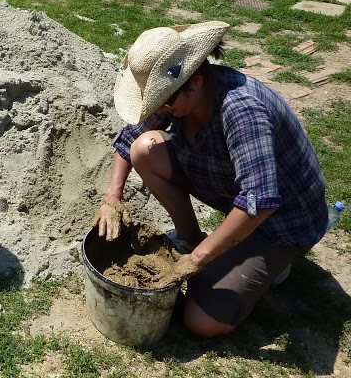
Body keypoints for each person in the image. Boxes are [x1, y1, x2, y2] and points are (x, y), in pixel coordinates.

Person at [93, 21, 328, 337]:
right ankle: (191, 237)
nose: (160, 109)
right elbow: (128, 140)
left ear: (196, 82)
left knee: (201, 322)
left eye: (164, 101)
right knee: (144, 149)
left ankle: (274, 263)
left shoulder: (242, 110)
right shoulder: (178, 95)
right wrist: (112, 197)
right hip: (231, 184)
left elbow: (259, 202)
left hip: (281, 220)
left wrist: (196, 260)